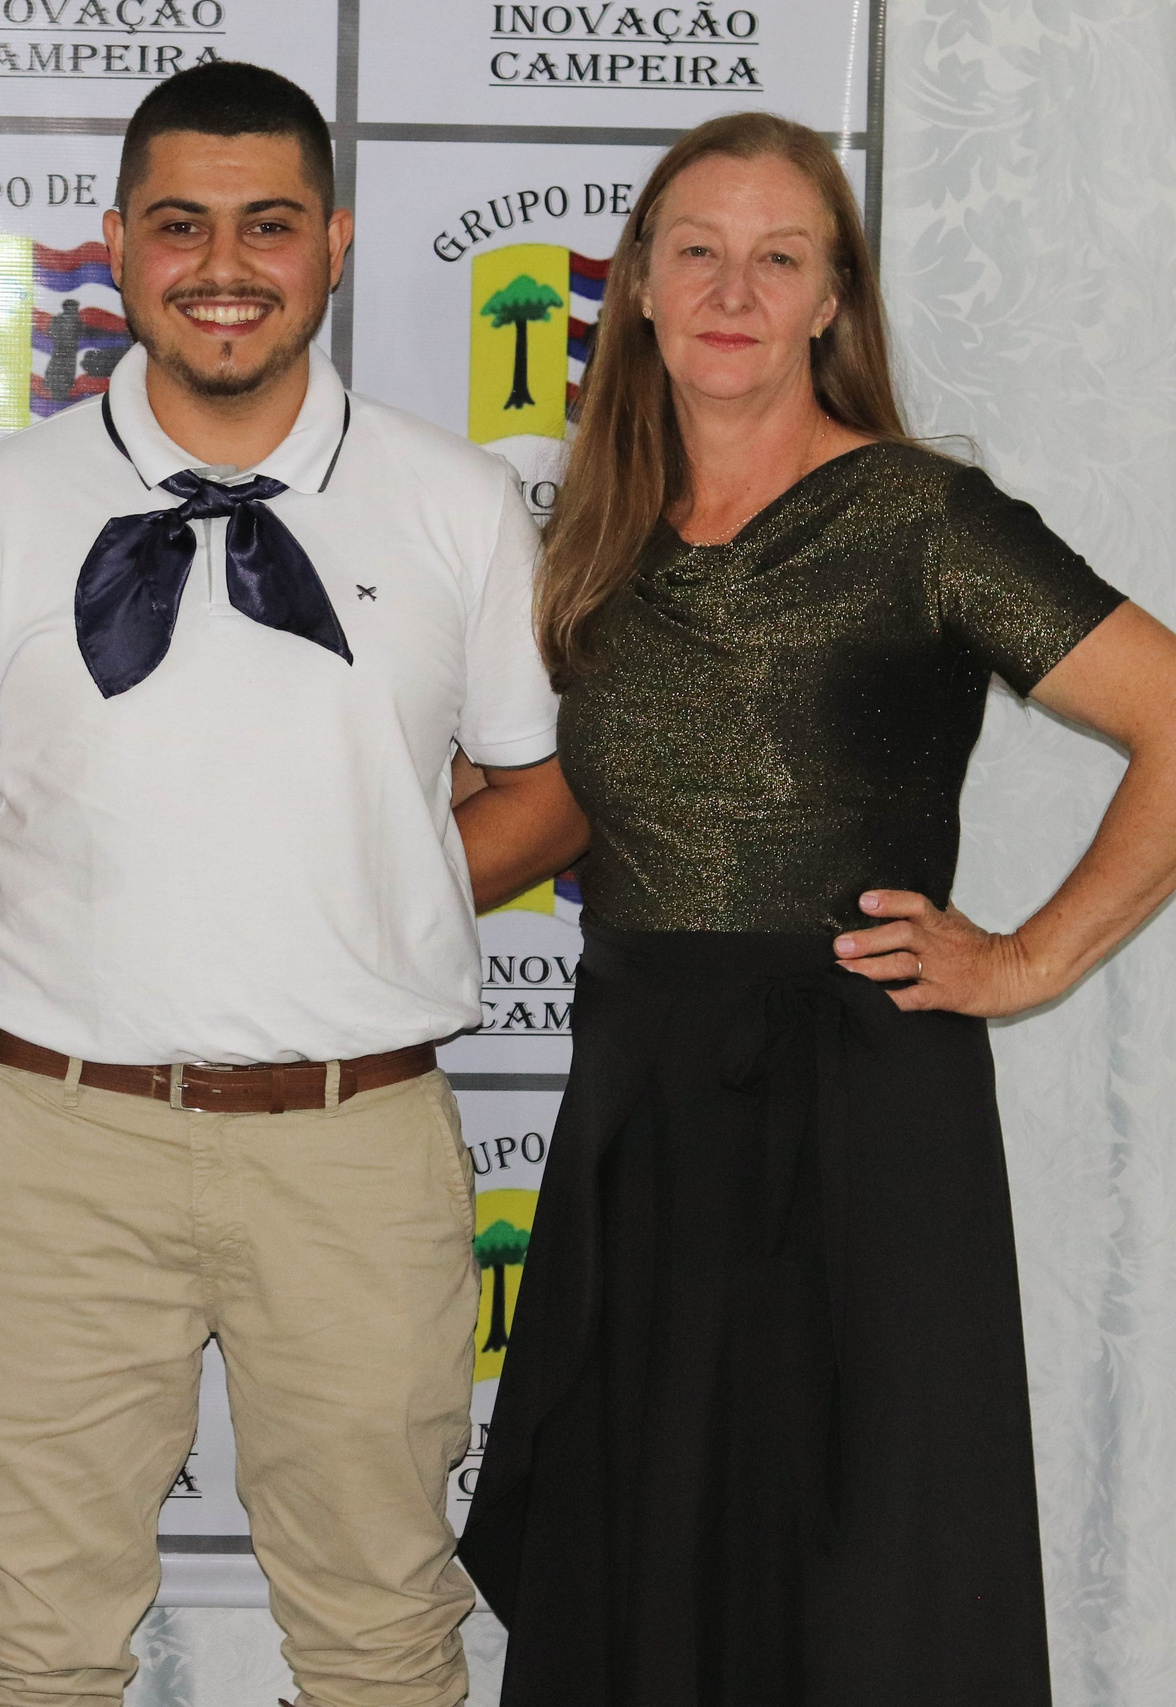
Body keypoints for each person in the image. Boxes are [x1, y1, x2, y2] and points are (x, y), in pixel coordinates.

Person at [0, 61, 588, 1707]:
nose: (228, 263)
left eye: (270, 224)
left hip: (359, 1151)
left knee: (382, 1633)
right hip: (60, 1147)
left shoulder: (457, 499)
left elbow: (545, 786)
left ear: (337, 243)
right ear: (123, 247)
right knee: (34, 1644)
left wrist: (398, 884)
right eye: (183, 225)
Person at [454, 112, 1176, 1705]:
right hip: (643, 1098)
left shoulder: (923, 519)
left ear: (833, 299)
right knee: (642, 1557)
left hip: (861, 1101)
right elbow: (552, 804)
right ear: (637, 283)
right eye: (698, 251)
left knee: (866, 1574)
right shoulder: (588, 535)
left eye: (780, 258)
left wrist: (1032, 958)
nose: (734, 289)